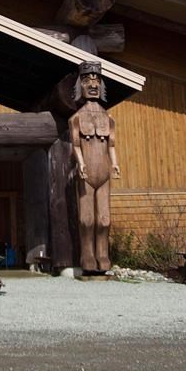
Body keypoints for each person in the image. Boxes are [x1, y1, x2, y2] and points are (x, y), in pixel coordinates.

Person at [70, 61, 120, 272]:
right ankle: (87, 255)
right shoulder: (76, 118)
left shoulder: (108, 118)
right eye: (86, 80)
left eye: (97, 80)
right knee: (87, 219)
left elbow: (111, 146)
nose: (92, 84)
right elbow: (75, 145)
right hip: (86, 175)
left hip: (105, 176)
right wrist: (80, 164)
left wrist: (115, 163)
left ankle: (103, 255)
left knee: (104, 219)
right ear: (79, 86)